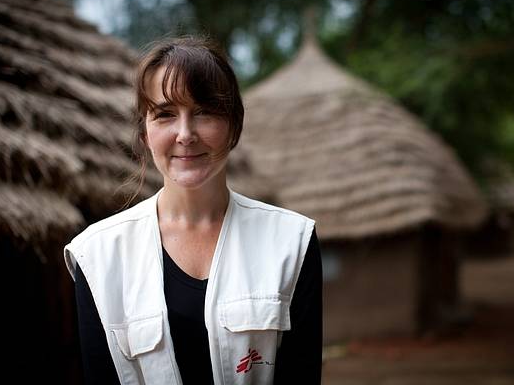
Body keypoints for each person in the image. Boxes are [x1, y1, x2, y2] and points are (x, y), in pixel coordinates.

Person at [63, 36, 323, 385]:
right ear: (145, 132)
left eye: (204, 112)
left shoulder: (292, 242)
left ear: (233, 126)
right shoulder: (98, 255)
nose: (185, 134)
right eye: (165, 114)